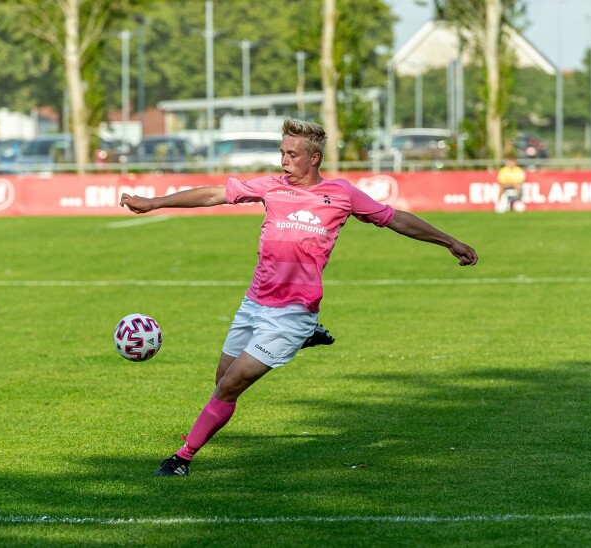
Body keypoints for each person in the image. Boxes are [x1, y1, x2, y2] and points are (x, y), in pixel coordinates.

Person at [119, 119, 478, 476]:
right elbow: (214, 193)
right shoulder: (272, 187)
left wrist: (450, 241)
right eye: (282, 153)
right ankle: (304, 339)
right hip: (254, 303)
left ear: (315, 158)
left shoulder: (342, 194)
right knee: (222, 381)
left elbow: (395, 218)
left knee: (230, 387)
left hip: (292, 312)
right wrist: (155, 203)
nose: (284, 161)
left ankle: (182, 458)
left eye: (292, 154)